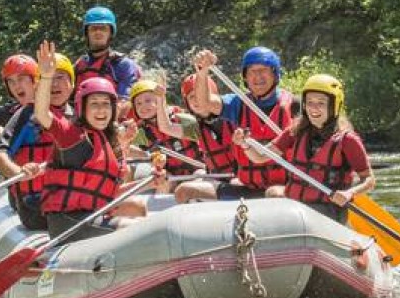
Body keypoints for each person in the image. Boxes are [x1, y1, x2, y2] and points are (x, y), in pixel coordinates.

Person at [31, 40, 163, 242]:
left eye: (105, 104)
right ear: (82, 108)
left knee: (142, 212)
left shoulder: (105, 140)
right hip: (68, 223)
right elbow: (41, 113)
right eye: (94, 104)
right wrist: (46, 77)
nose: (101, 110)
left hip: (92, 215)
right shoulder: (71, 134)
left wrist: (148, 183)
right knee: (139, 230)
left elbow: (109, 191)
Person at [233, 74, 375, 223]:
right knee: (272, 192)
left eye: (321, 103)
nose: (314, 107)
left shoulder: (348, 140)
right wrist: (245, 144)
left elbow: (369, 180)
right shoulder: (295, 131)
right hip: (296, 207)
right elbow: (260, 157)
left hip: (327, 211)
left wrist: (349, 193)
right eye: (310, 102)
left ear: (334, 105)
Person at [192, 47, 297, 199]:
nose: (257, 76)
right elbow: (204, 104)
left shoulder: (295, 105)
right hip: (248, 186)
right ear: (245, 77)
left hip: (283, 189)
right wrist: (202, 73)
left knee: (273, 194)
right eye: (252, 71)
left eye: (263, 70)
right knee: (185, 191)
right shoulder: (238, 104)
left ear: (275, 74)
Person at [0, 54, 76, 229]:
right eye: (49, 78)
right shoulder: (27, 115)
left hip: (69, 197)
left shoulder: (79, 116)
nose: (55, 84)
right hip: (34, 204)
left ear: (72, 83)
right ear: (40, 84)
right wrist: (18, 171)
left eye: (61, 77)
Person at [172, 74, 238, 203]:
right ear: (187, 103)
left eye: (202, 95)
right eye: (192, 97)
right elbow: (166, 127)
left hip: (242, 180)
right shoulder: (196, 127)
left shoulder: (235, 117)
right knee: (185, 189)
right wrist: (159, 100)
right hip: (218, 180)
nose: (198, 100)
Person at [73, 6, 142, 119]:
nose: (98, 32)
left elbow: (124, 102)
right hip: (83, 124)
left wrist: (102, 124)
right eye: (93, 28)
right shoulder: (79, 65)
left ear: (110, 33)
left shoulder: (122, 64)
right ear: (87, 33)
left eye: (103, 28)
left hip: (113, 125)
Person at [127, 79, 203, 177]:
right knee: (158, 177)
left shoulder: (182, 118)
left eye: (148, 100)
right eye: (138, 103)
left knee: (199, 175)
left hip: (197, 170)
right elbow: (124, 149)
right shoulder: (141, 130)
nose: (143, 106)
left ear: (160, 100)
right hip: (170, 175)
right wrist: (146, 155)